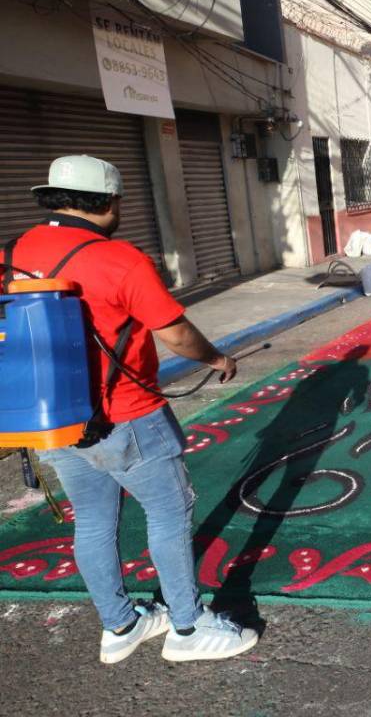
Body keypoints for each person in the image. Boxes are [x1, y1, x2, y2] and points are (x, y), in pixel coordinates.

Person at [0, 155, 256, 663]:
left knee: (92, 522)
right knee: (168, 513)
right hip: (128, 414)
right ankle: (188, 627)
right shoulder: (119, 258)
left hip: (56, 422)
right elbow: (176, 333)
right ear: (111, 202)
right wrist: (219, 358)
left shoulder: (10, 253)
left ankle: (119, 627)